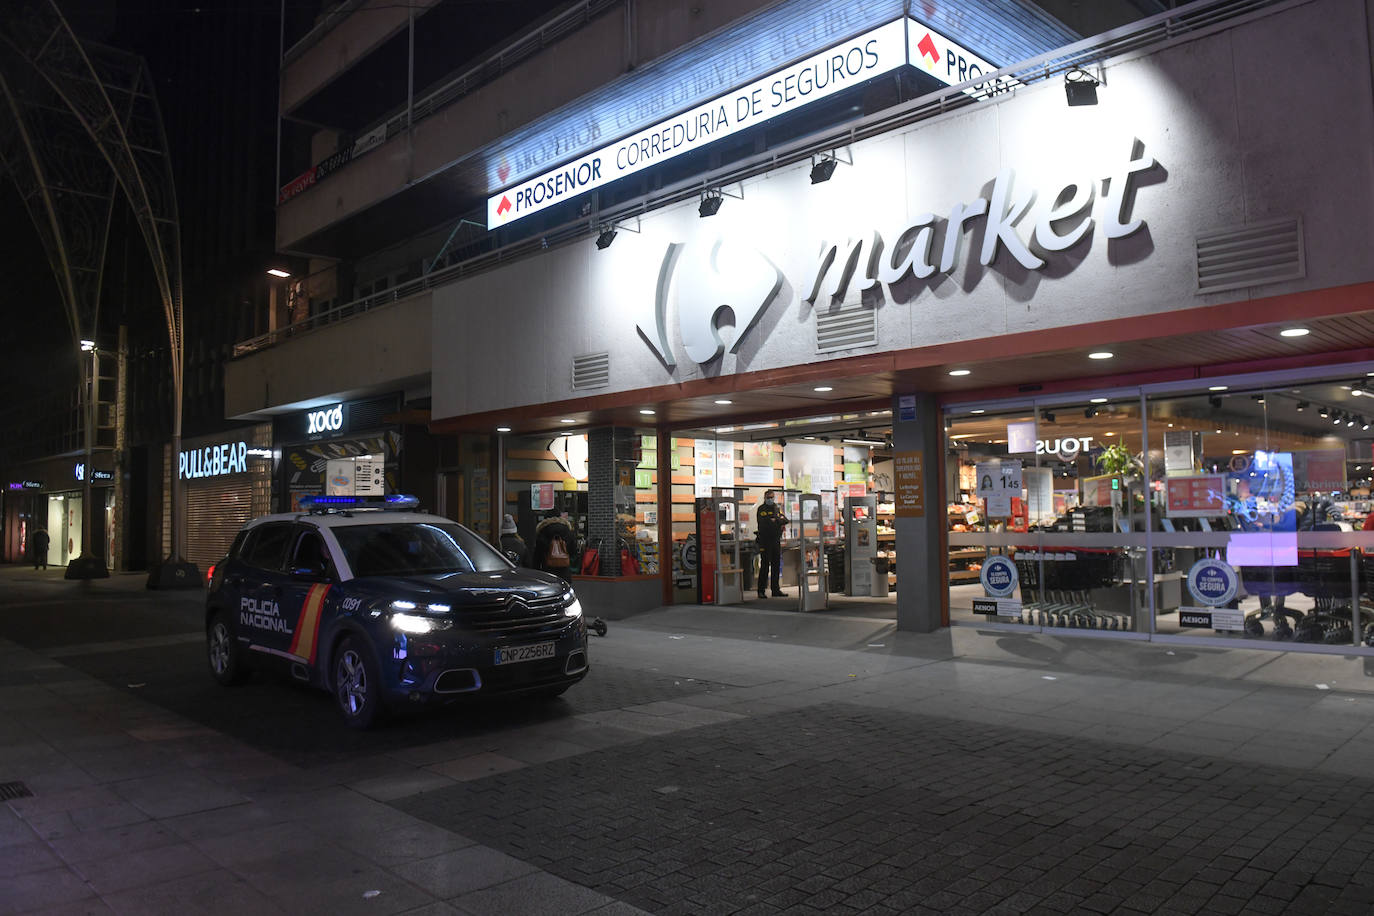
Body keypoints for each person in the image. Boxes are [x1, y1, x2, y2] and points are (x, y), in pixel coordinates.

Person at [754, 490, 788, 598]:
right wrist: (775, 520)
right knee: (764, 566)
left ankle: (775, 590)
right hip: (765, 541)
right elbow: (763, 523)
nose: (770, 499)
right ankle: (761, 591)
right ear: (765, 498)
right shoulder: (761, 509)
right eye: (768, 497)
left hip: (775, 540)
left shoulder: (776, 508)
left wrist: (776, 520)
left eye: (772, 497)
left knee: (776, 566)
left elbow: (785, 520)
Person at [534, 512, 575, 583]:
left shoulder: (543, 531)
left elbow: (537, 555)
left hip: (547, 572)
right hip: (564, 571)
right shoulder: (567, 531)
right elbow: (573, 551)